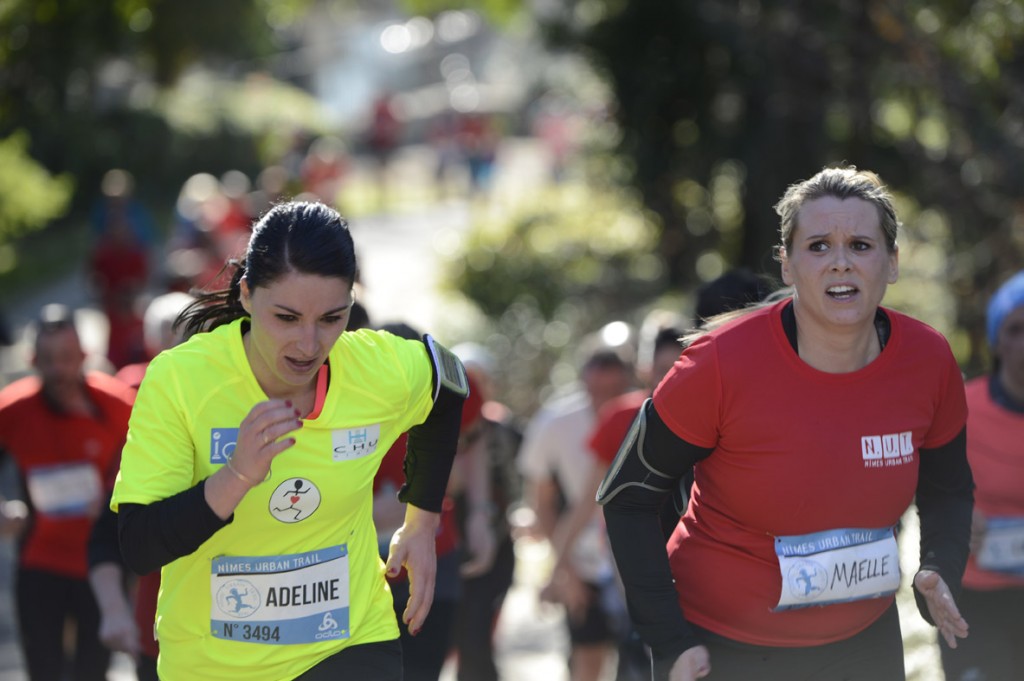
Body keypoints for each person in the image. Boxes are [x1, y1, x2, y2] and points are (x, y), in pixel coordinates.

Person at [599, 166, 974, 681]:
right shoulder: (719, 364)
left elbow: (949, 489)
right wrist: (667, 641)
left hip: (863, 643)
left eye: (861, 245)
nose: (840, 263)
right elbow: (627, 495)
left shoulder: (928, 360)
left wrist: (939, 564)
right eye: (818, 246)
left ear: (892, 263)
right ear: (787, 265)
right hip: (721, 647)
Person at [110, 201, 469, 680]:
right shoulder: (182, 379)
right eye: (286, 317)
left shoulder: (373, 367)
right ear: (246, 295)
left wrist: (421, 523)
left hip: (349, 646)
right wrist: (236, 477)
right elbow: (139, 547)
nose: (308, 344)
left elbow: (449, 388)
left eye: (330, 319)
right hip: (214, 664)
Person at [0, 304, 135, 681]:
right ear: (31, 359)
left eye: (67, 358)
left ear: (84, 356)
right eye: (48, 360)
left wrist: (115, 495)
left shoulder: (116, 405)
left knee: (92, 671)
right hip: (38, 561)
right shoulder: (13, 409)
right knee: (44, 670)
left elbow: (153, 465)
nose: (58, 369)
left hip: (101, 565)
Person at [89, 291, 197, 681]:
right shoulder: (142, 413)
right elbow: (107, 533)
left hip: (250, 638)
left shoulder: (248, 412)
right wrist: (115, 609)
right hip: (159, 634)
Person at [519, 330, 635, 681]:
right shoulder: (555, 422)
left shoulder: (646, 413)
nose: (602, 397)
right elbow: (542, 503)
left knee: (638, 661)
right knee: (586, 656)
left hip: (637, 555)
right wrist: (564, 569)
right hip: (581, 555)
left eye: (612, 389)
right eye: (595, 386)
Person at [939, 270, 1024, 680]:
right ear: (996, 339)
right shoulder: (962, 407)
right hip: (976, 598)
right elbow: (924, 486)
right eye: (1015, 328)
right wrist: (958, 516)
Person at [448, 342, 523, 681]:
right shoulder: (435, 424)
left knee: (477, 634)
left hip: (494, 539)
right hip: (448, 537)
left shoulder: (504, 430)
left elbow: (515, 485)